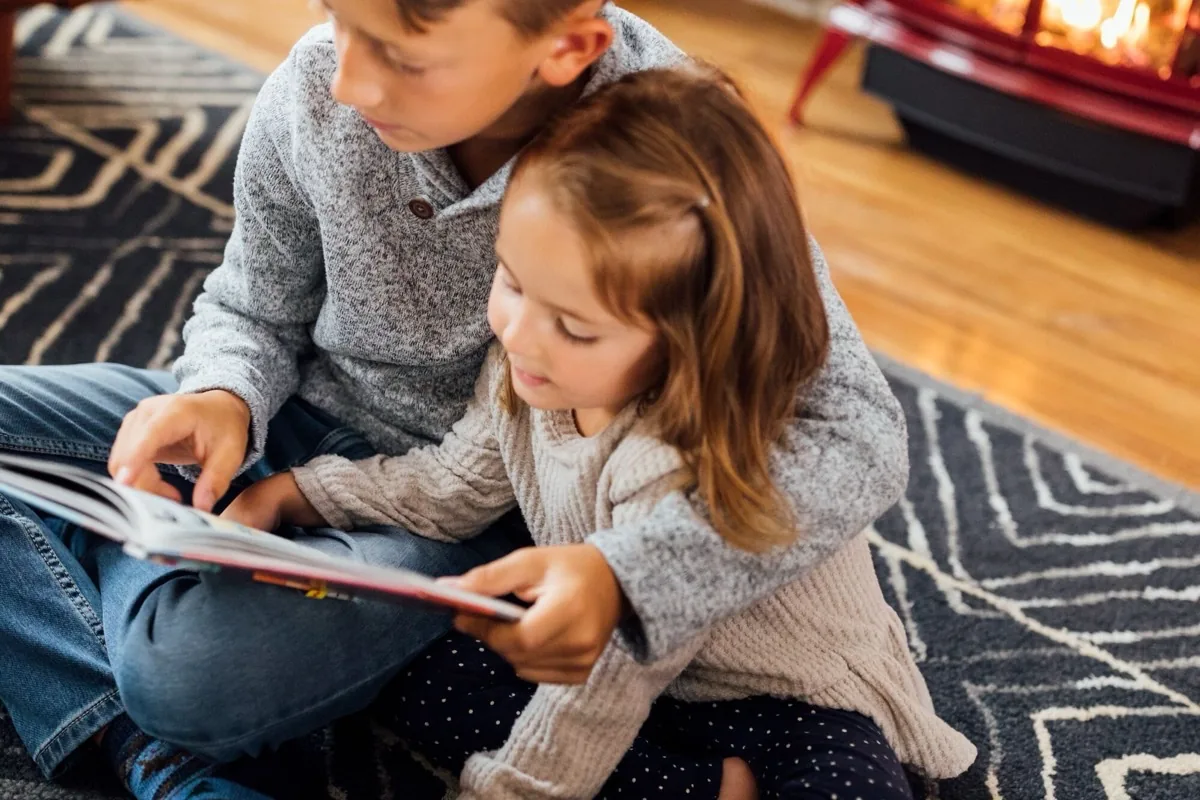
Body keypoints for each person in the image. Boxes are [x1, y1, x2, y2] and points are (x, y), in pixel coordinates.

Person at [0, 1, 907, 798]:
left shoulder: (674, 151)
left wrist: (628, 575)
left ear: (566, 47)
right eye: (334, 17)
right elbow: (251, 303)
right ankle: (136, 693)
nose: (345, 80)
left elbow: (854, 432)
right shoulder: (322, 82)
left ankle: (119, 633)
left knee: (188, 679)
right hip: (282, 434)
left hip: (455, 502)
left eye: (403, 54)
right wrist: (221, 394)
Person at [224, 65, 975, 800]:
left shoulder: (666, 457)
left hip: (791, 703)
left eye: (575, 329)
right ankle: (701, 788)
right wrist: (300, 494)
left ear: (687, 343)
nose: (520, 334)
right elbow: (452, 485)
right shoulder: (529, 370)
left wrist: (505, 790)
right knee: (419, 661)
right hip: (656, 689)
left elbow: (605, 682)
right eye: (512, 282)